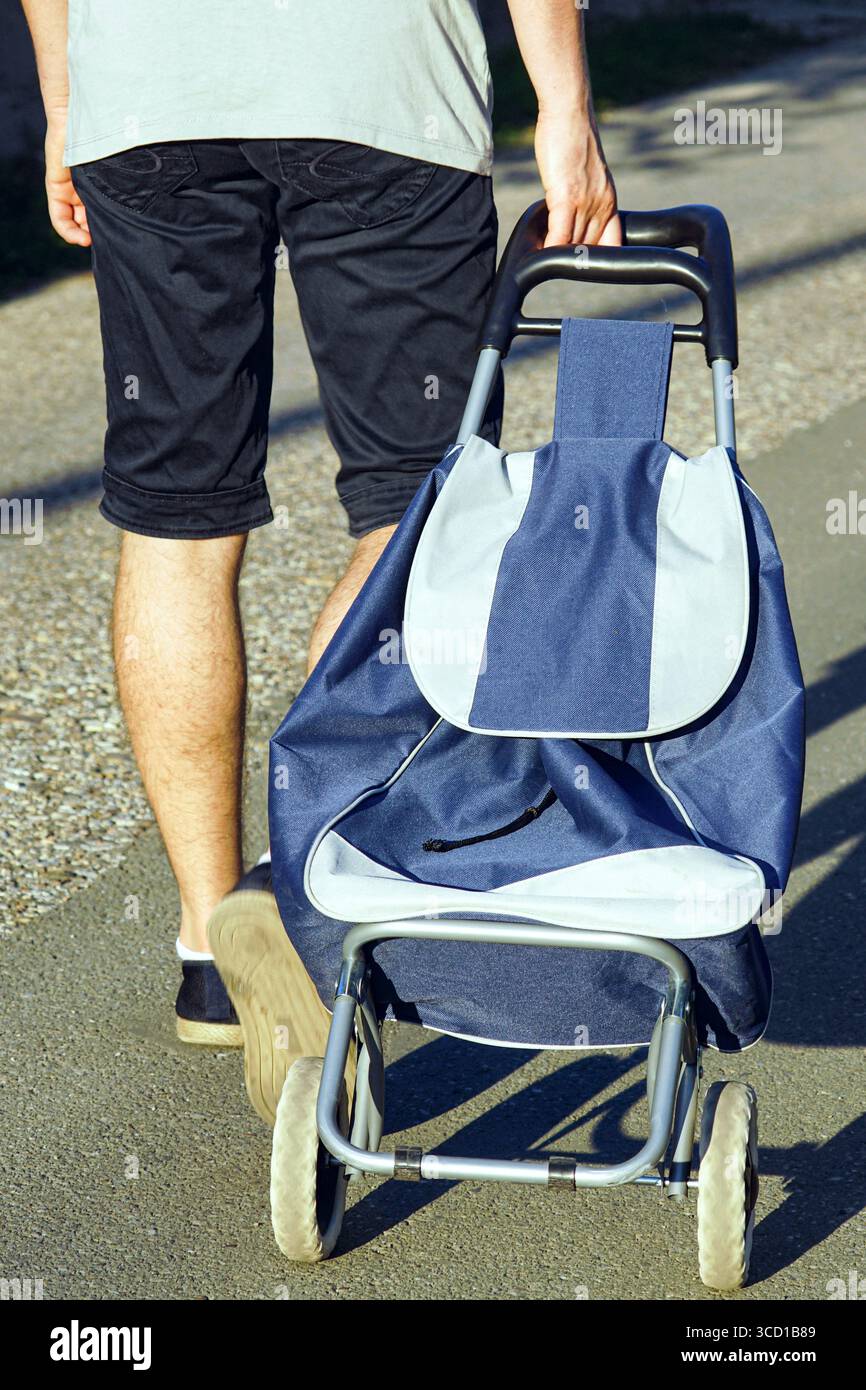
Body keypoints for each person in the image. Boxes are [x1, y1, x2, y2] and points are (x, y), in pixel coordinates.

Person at [22, 0, 618, 1097]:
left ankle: (210, 941)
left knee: (173, 514)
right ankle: (306, 877)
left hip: (149, 92)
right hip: (376, 87)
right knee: (412, 506)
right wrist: (565, 108)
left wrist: (69, 102)